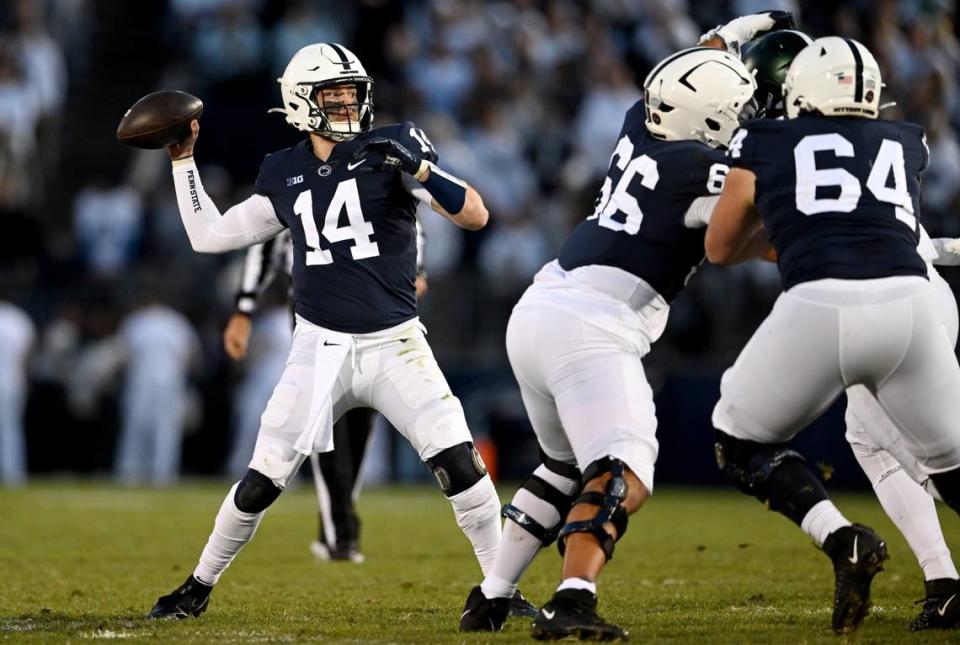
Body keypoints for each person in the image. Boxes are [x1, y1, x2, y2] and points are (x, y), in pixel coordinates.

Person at [147, 42, 528, 620]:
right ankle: (197, 585)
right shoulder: (283, 169)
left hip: (397, 342)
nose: (348, 105)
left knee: (462, 466)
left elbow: (474, 213)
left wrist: (421, 168)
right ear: (302, 103)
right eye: (334, 95)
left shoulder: (393, 145)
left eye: (353, 93)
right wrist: (183, 163)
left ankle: (502, 592)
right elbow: (210, 235)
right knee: (260, 482)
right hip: (317, 347)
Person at [459, 47, 759, 640]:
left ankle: (489, 596)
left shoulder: (637, 120)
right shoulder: (703, 168)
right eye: (738, 108)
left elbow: (690, 72)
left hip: (543, 303)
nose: (746, 115)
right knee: (624, 470)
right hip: (594, 323)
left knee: (563, 465)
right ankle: (573, 599)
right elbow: (754, 231)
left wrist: (729, 35)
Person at [705, 36, 960, 635]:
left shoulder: (766, 138)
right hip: (912, 307)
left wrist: (779, 238)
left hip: (820, 303)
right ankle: (943, 581)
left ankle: (842, 537)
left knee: (737, 441)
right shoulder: (907, 141)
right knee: (953, 472)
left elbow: (719, 247)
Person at [222, 220, 428, 563]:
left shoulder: (371, 169)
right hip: (314, 307)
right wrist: (244, 308)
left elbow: (409, 218)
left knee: (362, 415)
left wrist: (416, 268)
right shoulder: (294, 172)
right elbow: (264, 241)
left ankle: (336, 523)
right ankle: (341, 532)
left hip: (374, 305)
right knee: (327, 415)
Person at [115, 301, 199, 486]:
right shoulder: (177, 323)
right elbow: (191, 356)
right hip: (169, 382)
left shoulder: (137, 322)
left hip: (142, 382)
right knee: (165, 431)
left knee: (138, 427)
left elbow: (123, 356)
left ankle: (130, 473)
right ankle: (162, 475)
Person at [0, 300, 34, 486]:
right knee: (10, 430)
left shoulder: (17, 318)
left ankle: (12, 475)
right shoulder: (18, 319)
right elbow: (26, 356)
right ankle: (12, 475)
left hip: (10, 381)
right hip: (11, 382)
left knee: (10, 430)